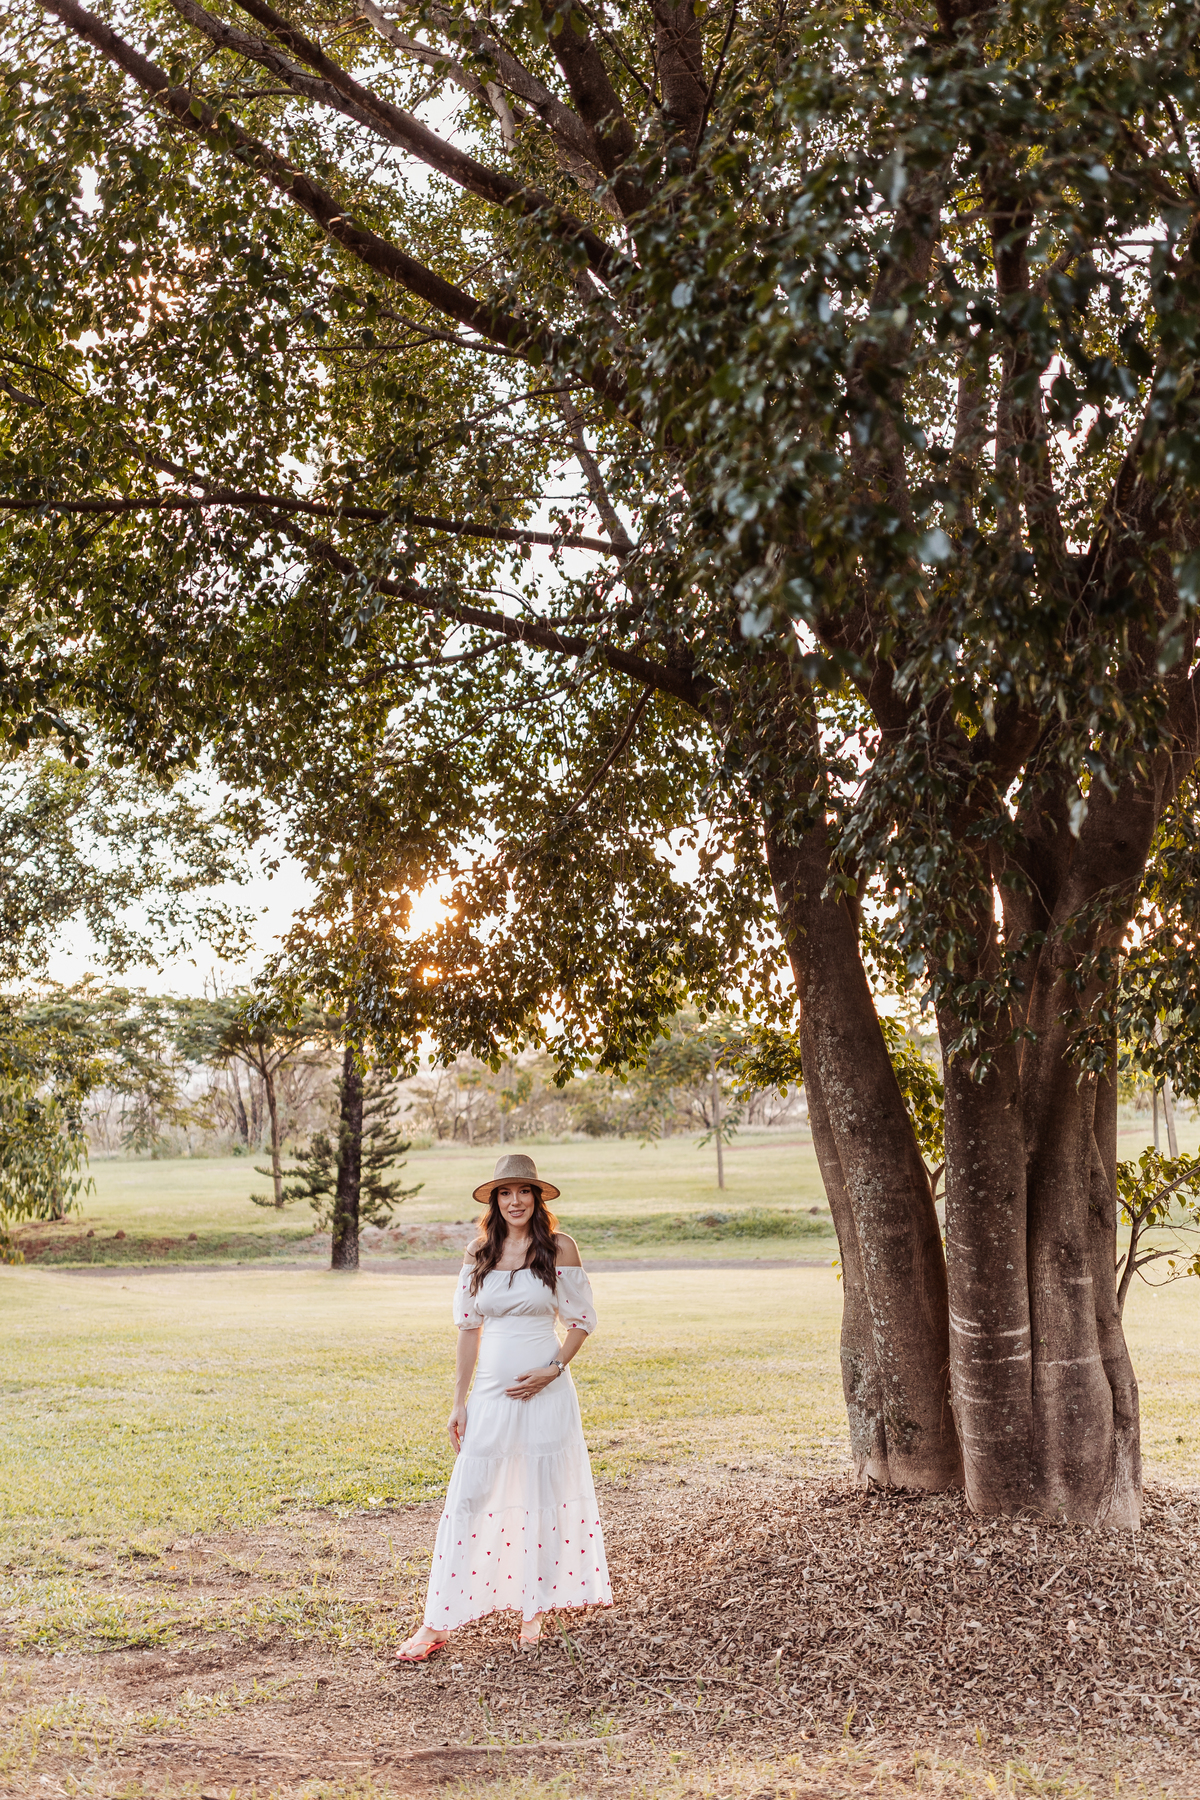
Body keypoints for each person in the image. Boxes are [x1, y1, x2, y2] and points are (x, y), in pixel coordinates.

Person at [396, 1152, 612, 1659]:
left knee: (540, 1492)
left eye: (524, 1191)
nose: (515, 1201)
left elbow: (581, 1320)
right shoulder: (479, 1251)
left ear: (538, 1197)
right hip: (491, 1393)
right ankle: (438, 1621)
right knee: (471, 1493)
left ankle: (533, 1610)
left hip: (547, 1391)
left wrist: (553, 1369)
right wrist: (459, 1402)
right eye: (505, 1193)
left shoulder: (559, 1247)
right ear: (494, 1201)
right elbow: (468, 1330)